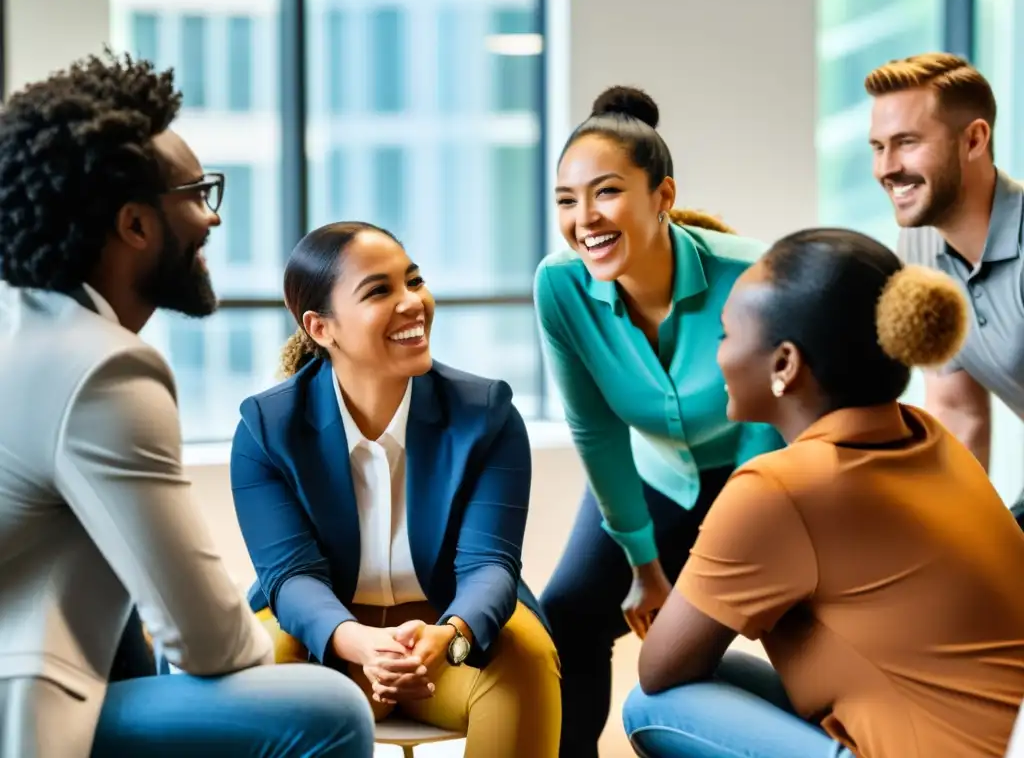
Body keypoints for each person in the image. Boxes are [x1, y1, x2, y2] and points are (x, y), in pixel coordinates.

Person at [0, 52, 375, 758]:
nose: (211, 218)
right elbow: (211, 643)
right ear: (136, 225)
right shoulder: (102, 367)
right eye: (197, 193)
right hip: (17, 712)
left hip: (42, 650)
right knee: (323, 709)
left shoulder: (25, 324)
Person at [623, 227, 1024, 758]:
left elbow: (661, 668)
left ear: (784, 364)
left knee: (652, 705)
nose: (716, 357)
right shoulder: (929, 434)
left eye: (725, 336)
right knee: (731, 673)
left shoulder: (778, 488)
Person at [231, 221, 562, 757]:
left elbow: (490, 566)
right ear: (320, 328)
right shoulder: (266, 429)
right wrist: (360, 643)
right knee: (264, 654)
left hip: (450, 638)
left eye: (414, 281)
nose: (413, 303)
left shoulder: (488, 416)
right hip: (330, 644)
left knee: (526, 655)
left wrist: (448, 636)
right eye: (379, 291)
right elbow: (290, 576)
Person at [534, 85, 785, 756]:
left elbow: (769, 425)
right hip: (648, 477)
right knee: (568, 614)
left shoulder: (751, 275)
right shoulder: (559, 286)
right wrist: (645, 566)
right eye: (566, 199)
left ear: (663, 196)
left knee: (758, 631)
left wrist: (717, 569)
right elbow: (595, 428)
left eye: (606, 192)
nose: (584, 218)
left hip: (754, 476)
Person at [866, 52, 1024, 525]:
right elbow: (959, 411)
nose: (886, 169)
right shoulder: (918, 243)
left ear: (974, 139)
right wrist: (951, 534)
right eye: (878, 147)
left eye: (907, 143)